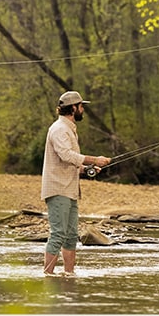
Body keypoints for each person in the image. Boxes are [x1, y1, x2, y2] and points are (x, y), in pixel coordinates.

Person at [41, 90, 111, 276]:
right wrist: (94, 160)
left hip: (70, 190)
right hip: (58, 190)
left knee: (71, 237)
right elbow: (66, 155)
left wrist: (86, 169)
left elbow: (68, 162)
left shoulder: (69, 129)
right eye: (81, 106)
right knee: (58, 234)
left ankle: (69, 275)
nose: (83, 110)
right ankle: (47, 276)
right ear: (73, 108)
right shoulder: (59, 129)